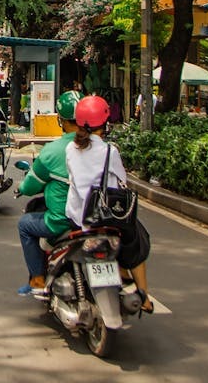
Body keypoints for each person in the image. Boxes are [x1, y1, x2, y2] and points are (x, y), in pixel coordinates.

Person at [64, 95, 155, 313]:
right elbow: (122, 181)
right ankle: (144, 295)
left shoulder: (70, 149)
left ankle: (120, 271)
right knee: (137, 237)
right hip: (107, 218)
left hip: (79, 219)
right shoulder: (109, 151)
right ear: (104, 123)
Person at [15, 95, 79, 296]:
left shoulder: (54, 151)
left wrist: (22, 188)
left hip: (63, 220)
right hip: (99, 218)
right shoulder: (104, 148)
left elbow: (30, 186)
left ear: (61, 120)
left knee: (25, 225)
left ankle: (37, 279)